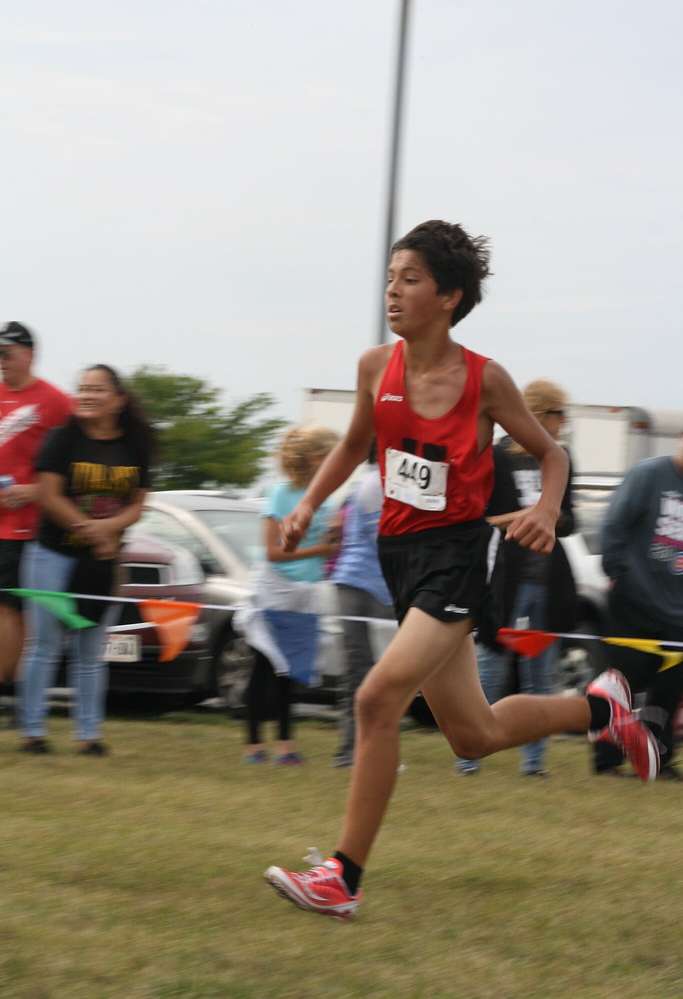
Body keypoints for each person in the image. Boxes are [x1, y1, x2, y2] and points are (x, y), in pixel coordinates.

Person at [263, 219, 659, 921]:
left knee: (376, 698)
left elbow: (552, 456)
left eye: (408, 279)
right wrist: (308, 507)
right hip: (398, 556)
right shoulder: (372, 368)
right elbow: (356, 443)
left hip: (458, 557)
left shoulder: (484, 381)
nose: (392, 291)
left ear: (447, 296)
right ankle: (605, 708)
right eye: (389, 278)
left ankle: (342, 878)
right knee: (471, 733)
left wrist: (545, 509)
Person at [18, 364, 155, 754]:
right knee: (44, 645)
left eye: (97, 389)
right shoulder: (61, 439)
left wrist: (108, 531)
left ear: (119, 400)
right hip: (52, 555)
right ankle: (33, 732)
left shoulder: (136, 446)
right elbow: (49, 495)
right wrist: (92, 529)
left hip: (103, 560)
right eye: (83, 388)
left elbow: (138, 504)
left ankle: (88, 736)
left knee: (91, 650)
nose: (87, 395)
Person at [457, 379, 577, 777]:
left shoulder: (559, 458)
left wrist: (553, 514)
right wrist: (530, 516)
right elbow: (481, 520)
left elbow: (570, 519)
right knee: (490, 666)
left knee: (540, 672)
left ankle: (534, 763)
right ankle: (470, 757)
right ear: (542, 415)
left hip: (547, 581)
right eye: (561, 414)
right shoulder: (496, 457)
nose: (564, 423)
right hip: (505, 579)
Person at [239, 424, 339, 766]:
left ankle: (285, 746)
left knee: (291, 672)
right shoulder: (281, 495)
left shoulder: (327, 497)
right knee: (264, 667)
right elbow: (273, 552)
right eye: (333, 457)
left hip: (304, 595)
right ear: (315, 460)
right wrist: (322, 549)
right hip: (274, 591)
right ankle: (253, 747)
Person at [593, 433, 683, 780]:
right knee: (621, 682)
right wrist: (615, 573)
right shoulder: (649, 474)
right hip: (635, 601)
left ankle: (658, 759)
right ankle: (606, 760)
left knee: (670, 687)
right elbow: (615, 525)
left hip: (677, 611)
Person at [0, 322, 72, 722]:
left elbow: (73, 459)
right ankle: (18, 699)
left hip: (37, 527)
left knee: (22, 611)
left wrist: (35, 491)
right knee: (9, 610)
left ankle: (18, 698)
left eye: (7, 355)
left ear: (29, 354)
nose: (2, 363)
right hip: (2, 525)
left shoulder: (56, 401)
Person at [330, 440, 394, 768]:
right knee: (379, 676)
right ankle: (363, 753)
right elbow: (385, 539)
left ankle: (351, 752)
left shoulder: (363, 484)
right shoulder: (381, 481)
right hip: (371, 586)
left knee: (359, 672)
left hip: (353, 582)